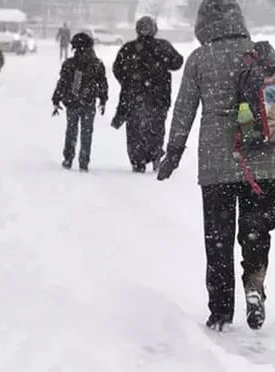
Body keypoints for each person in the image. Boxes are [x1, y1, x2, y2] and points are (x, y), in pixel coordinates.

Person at [157, 0, 275, 332]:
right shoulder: (260, 53)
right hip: (262, 162)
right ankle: (254, 285)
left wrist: (173, 152)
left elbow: (184, 111)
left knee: (218, 238)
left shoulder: (200, 59)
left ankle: (221, 311)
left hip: (217, 163)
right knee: (255, 231)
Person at [111, 16, 183, 173]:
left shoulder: (128, 49)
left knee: (134, 130)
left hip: (133, 97)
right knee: (156, 128)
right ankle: (155, 154)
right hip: (159, 97)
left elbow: (117, 69)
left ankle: (138, 161)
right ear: (154, 30)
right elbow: (177, 62)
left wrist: (128, 81)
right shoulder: (163, 46)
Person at [51, 32, 108, 172]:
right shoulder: (97, 64)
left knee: (71, 130)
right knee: (86, 132)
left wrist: (56, 99)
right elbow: (102, 83)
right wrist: (103, 99)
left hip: (72, 102)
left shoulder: (69, 64)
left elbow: (62, 83)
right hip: (88, 102)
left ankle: (68, 157)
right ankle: (84, 160)